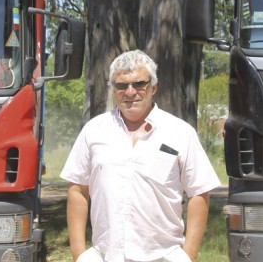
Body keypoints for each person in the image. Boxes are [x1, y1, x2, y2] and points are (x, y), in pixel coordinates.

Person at [60, 49, 221, 262]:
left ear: (153, 87)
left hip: (164, 256)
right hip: (106, 255)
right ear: (113, 89)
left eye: (138, 84)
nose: (130, 92)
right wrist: (79, 254)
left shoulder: (180, 132)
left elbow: (199, 192)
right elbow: (78, 189)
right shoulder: (94, 131)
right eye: (121, 85)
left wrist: (188, 255)